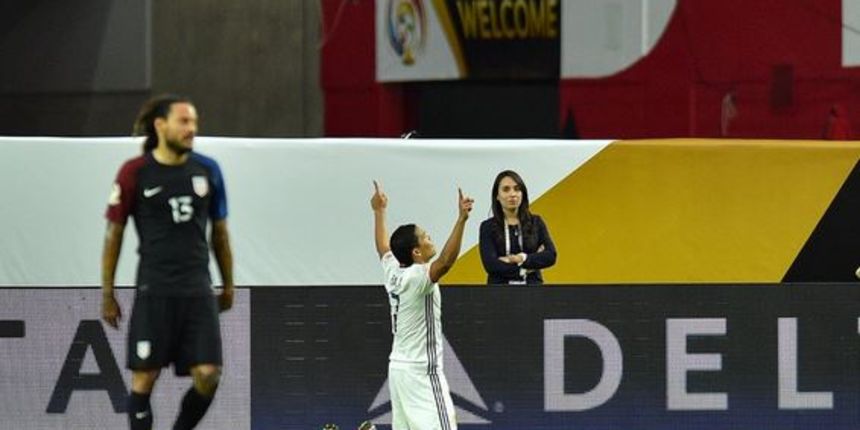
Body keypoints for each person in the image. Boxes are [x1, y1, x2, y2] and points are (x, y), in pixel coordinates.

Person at [101, 94, 234, 430]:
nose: (192, 129)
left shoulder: (208, 169)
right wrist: (107, 293)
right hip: (155, 289)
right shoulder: (135, 173)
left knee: (208, 375)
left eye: (194, 122)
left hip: (197, 289)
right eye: (184, 121)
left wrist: (228, 283)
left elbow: (219, 233)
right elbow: (113, 235)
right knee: (144, 378)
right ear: (161, 125)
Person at [371, 180, 473, 430]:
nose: (430, 239)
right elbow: (446, 262)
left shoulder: (393, 271)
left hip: (398, 370)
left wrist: (379, 212)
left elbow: (383, 248)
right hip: (422, 373)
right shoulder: (418, 278)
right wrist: (461, 220)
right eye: (426, 237)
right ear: (416, 252)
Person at [479, 170, 556, 285]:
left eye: (517, 189)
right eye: (506, 189)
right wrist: (526, 269)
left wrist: (521, 258)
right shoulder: (488, 227)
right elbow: (491, 265)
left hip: (533, 290)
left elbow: (550, 255)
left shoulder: (536, 222)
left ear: (522, 193)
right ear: (497, 196)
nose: (512, 194)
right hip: (499, 292)